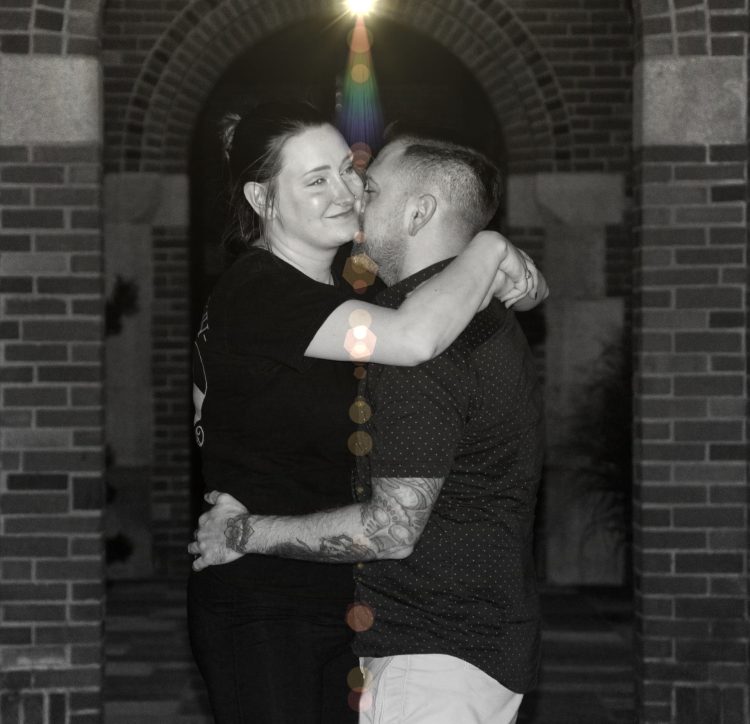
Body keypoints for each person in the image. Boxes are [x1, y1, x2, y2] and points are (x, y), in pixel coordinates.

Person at [187, 101, 544, 724]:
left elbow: (465, 311)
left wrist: (511, 274)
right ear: (262, 198)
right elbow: (415, 339)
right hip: (265, 602)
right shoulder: (261, 291)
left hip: (348, 605)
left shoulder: (347, 299)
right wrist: (487, 248)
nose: (347, 191)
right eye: (315, 180)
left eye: (347, 171)